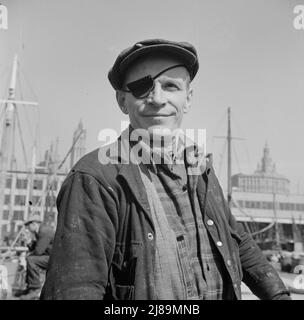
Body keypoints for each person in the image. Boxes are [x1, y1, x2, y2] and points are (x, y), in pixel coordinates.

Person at [41, 39, 291, 300]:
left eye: (170, 86)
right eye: (142, 87)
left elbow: (237, 240)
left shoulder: (200, 167)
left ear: (188, 98)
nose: (157, 99)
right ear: (122, 101)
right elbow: (75, 289)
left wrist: (277, 295)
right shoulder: (95, 177)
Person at [17, 213, 55, 300]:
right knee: (30, 259)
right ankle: (30, 289)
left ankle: (35, 289)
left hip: (55, 259)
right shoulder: (40, 231)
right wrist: (29, 241)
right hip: (50, 257)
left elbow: (38, 251)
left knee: (31, 260)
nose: (27, 227)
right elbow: (37, 248)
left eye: (28, 225)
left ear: (34, 224)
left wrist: (29, 255)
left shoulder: (45, 231)